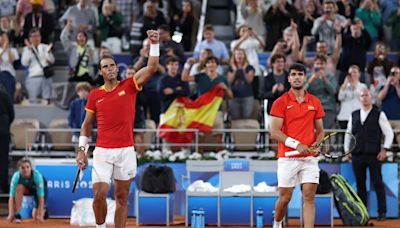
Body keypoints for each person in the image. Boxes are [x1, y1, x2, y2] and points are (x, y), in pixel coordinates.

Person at [75, 30, 160, 228]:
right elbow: (86, 124)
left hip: (125, 150)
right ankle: (100, 226)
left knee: (121, 198)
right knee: (99, 195)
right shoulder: (95, 95)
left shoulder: (130, 86)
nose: (111, 68)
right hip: (102, 152)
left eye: (113, 65)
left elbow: (152, 66)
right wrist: (81, 151)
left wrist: (154, 44)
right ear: (100, 72)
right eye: (106, 66)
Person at [270, 63, 325, 228]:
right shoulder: (280, 102)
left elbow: (321, 131)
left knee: (309, 196)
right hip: (287, 158)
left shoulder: (314, 102)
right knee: (285, 198)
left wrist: (317, 144)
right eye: (293, 74)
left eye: (300, 74)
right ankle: (277, 222)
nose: (296, 77)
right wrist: (297, 145)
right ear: (288, 78)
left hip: (309, 159)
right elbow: (275, 132)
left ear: (305, 77)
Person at [346, 88, 394, 221]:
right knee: (360, 185)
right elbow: (348, 134)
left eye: (367, 95)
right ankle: (362, 214)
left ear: (371, 97)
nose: (365, 98)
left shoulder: (379, 114)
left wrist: (385, 149)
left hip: (374, 155)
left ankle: (382, 212)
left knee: (378, 183)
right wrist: (347, 150)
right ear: (359, 98)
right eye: (362, 96)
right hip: (357, 155)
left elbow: (389, 133)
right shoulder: (353, 114)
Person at [182, 56, 233, 152]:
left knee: (218, 135)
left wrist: (225, 88)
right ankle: (199, 155)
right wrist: (187, 65)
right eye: (209, 63)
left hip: (217, 111)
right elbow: (184, 78)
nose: (211, 65)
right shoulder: (200, 76)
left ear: (217, 65)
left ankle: (220, 155)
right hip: (202, 111)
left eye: (213, 62)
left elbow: (230, 96)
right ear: (206, 65)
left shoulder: (222, 79)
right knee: (200, 135)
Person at [7, 158, 47, 223]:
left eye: (27, 167)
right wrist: (11, 214)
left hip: (39, 191)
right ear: (19, 169)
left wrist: (40, 215)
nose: (25, 170)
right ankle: (18, 215)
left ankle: (44, 210)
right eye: (22, 168)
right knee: (19, 187)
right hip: (27, 190)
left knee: (36, 216)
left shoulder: (37, 176)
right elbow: (11, 196)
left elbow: (41, 197)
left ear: (31, 168)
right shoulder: (16, 176)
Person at [21, 28, 55, 104]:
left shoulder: (46, 47)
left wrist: (48, 53)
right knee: (33, 100)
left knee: (46, 100)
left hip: (45, 76)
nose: (36, 38)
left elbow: (52, 60)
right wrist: (30, 51)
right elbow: (24, 63)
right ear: (30, 38)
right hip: (33, 77)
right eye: (33, 36)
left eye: (38, 36)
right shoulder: (26, 49)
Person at [61, 19, 98, 84]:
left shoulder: (91, 49)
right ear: (76, 39)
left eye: (83, 36)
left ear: (86, 39)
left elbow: (96, 62)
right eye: (79, 36)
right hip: (74, 74)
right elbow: (63, 38)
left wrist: (92, 55)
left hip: (87, 75)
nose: (81, 38)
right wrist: (67, 27)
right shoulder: (72, 48)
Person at [305, 55, 337, 129]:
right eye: (317, 63)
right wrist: (311, 81)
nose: (319, 66)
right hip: (311, 108)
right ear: (314, 65)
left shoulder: (331, 77)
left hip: (327, 108)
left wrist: (325, 79)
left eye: (321, 63)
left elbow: (333, 91)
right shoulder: (308, 77)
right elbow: (302, 93)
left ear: (325, 65)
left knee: (325, 132)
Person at [227, 48, 255, 120]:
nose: (239, 56)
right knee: (235, 118)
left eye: (241, 54)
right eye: (237, 54)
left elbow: (249, 80)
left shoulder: (249, 68)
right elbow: (229, 81)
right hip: (234, 96)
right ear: (234, 56)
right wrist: (235, 70)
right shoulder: (230, 68)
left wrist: (243, 69)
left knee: (247, 117)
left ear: (244, 56)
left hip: (247, 96)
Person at [337, 65, 368, 129]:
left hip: (357, 116)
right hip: (344, 116)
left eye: (355, 72)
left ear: (359, 74)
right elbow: (340, 97)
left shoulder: (363, 86)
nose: (352, 74)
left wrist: (355, 86)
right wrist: (345, 84)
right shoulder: (345, 86)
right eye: (350, 73)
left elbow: (362, 99)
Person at [378, 66, 400, 149]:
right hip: (385, 118)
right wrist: (387, 84)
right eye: (392, 73)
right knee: (384, 139)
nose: (394, 75)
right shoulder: (384, 86)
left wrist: (397, 85)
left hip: (398, 119)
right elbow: (380, 97)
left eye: (397, 73)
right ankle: (385, 155)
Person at [0, 84, 14, 194]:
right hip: (3, 131)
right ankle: (3, 187)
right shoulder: (5, 94)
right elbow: (12, 114)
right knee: (3, 160)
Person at [0, 31, 20, 100]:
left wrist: (7, 49)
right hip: (0, 73)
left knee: (9, 95)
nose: (3, 39)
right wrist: (3, 51)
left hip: (10, 74)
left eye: (5, 37)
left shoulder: (13, 50)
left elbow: (11, 61)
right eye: (1, 37)